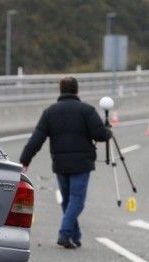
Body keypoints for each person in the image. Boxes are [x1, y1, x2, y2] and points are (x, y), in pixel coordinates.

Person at [19, 76, 112, 249]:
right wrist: (108, 132)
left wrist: (25, 159)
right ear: (77, 90)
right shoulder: (87, 110)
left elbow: (37, 138)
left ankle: (74, 237)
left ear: (60, 90)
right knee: (76, 200)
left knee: (68, 200)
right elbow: (100, 135)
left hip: (60, 163)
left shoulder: (50, 112)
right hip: (81, 163)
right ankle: (64, 233)